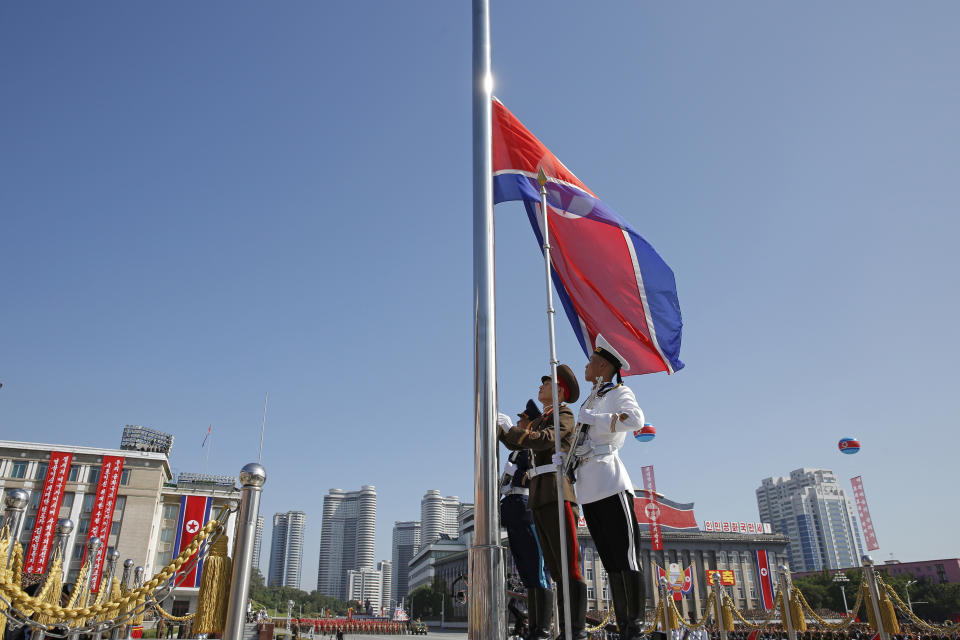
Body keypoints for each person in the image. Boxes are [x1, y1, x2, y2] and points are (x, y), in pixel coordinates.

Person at [500, 364, 587, 640]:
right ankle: (558, 630)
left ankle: (576, 630)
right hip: (539, 496)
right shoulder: (540, 419)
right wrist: (504, 430)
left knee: (568, 566)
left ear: (559, 390)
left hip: (557, 492)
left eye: (546, 383)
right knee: (556, 569)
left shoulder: (564, 414)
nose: (540, 387)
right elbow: (521, 443)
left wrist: (510, 430)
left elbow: (546, 440)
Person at [572, 335, 646, 640]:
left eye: (591, 361)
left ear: (603, 365)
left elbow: (636, 420)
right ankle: (625, 624)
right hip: (589, 487)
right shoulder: (589, 399)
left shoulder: (618, 392)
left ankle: (636, 626)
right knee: (611, 562)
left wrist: (597, 419)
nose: (587, 365)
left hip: (611, 481)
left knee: (627, 558)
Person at [499, 399, 552, 640]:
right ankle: (533, 628)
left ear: (531, 423)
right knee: (526, 572)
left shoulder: (534, 446)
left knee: (536, 570)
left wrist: (515, 473)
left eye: (522, 419)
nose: (519, 422)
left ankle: (542, 628)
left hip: (526, 506)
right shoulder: (517, 449)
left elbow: (534, 476)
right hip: (512, 507)